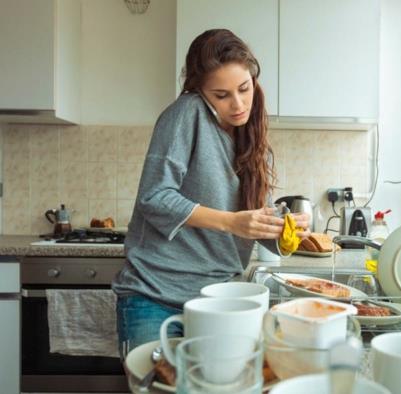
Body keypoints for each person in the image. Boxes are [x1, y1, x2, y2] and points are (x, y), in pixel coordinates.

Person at [112, 29, 309, 353]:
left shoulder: (253, 140)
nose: (238, 103)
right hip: (156, 297)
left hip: (219, 300)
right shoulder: (186, 113)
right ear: (200, 92)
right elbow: (154, 196)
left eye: (244, 89)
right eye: (221, 95)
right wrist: (231, 221)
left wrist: (283, 230)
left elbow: (249, 220)